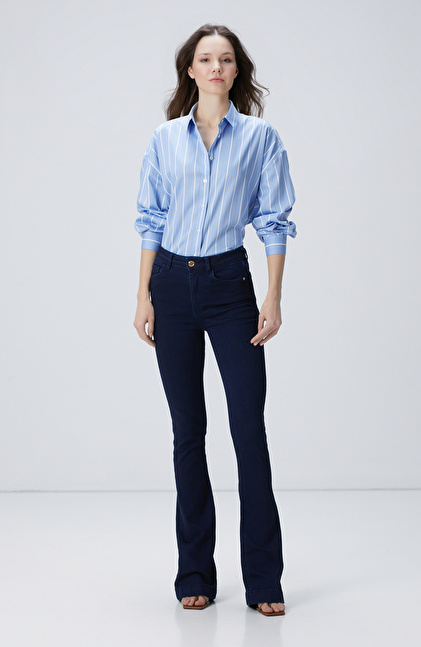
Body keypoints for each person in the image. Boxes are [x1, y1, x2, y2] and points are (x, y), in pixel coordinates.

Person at [133, 23, 296, 617]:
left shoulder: (260, 138)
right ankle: (194, 571)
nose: (216, 68)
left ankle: (264, 579)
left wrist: (273, 296)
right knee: (188, 432)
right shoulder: (164, 139)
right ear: (191, 69)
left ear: (236, 70)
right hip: (171, 285)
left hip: (230, 285)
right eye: (206, 59)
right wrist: (143, 294)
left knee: (248, 430)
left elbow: (273, 219)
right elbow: (151, 218)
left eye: (226, 59)